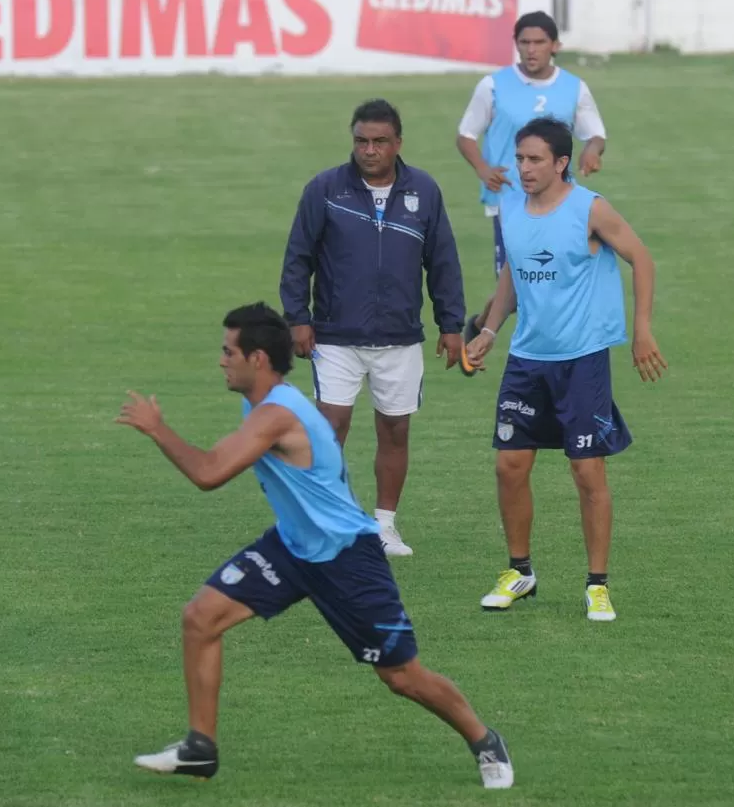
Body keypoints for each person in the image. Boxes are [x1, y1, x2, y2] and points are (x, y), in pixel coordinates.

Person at [116, 302, 513, 789]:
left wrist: (157, 429)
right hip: (293, 547)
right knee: (200, 617)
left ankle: (484, 739)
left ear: (257, 359)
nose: (221, 361)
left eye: (228, 352)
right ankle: (200, 749)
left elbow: (208, 473)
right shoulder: (262, 403)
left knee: (401, 677)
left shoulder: (277, 415)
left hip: (347, 557)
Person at [464, 119, 666, 622]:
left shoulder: (589, 208)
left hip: (582, 360)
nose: (524, 168)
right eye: (520, 158)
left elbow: (641, 258)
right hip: (527, 359)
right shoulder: (511, 208)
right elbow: (512, 273)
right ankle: (520, 572)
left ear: (560, 163)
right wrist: (489, 330)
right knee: (509, 466)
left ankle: (597, 585)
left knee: (587, 471)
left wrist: (642, 330)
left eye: (535, 159)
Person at [280, 98, 466, 557]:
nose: (369, 150)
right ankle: (328, 521)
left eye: (380, 141)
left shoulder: (424, 191)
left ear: (397, 143)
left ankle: (384, 526)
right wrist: (297, 318)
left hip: (400, 337)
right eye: (362, 141)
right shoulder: (325, 189)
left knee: (395, 430)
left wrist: (451, 324)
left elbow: (442, 260)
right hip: (335, 335)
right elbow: (298, 257)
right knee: (330, 429)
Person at [455, 10, 608, 373]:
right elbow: (466, 134)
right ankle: (488, 333)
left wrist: (592, 151)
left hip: (561, 203)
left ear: (555, 45)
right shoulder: (493, 86)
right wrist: (483, 169)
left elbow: (595, 133)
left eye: (539, 42)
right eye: (524, 42)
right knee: (520, 285)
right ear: (516, 44)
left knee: (548, 280)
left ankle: (495, 335)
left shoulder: (574, 87)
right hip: (508, 201)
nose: (531, 49)